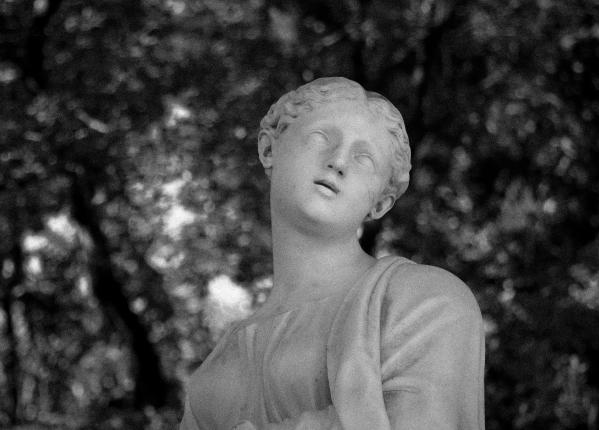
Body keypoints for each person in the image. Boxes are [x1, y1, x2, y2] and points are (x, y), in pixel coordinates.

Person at [180, 77, 485, 429]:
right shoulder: (217, 367)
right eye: (321, 137)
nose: (338, 161)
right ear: (268, 149)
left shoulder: (424, 299)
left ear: (381, 204)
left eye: (364, 158)